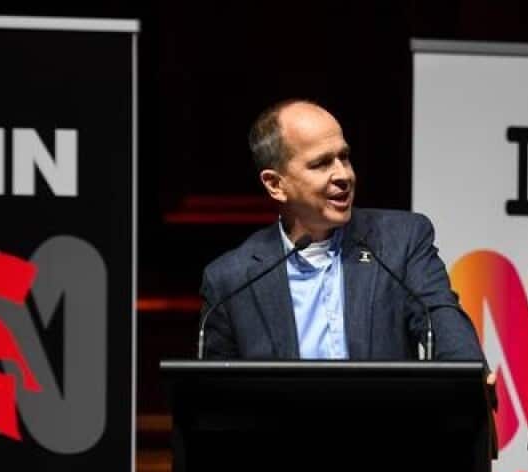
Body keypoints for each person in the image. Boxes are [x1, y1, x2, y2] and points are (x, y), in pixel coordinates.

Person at [199, 99, 485, 363]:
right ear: (276, 184)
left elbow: (443, 319)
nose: (344, 175)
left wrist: (470, 373)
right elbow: (214, 398)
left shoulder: (401, 241)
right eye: (321, 164)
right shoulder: (231, 281)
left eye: (344, 157)